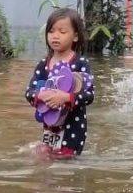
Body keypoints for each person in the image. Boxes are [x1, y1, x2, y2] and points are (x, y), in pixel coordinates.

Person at [25, 8, 95, 159]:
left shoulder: (80, 63)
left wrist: (66, 97)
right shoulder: (43, 65)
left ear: (75, 36)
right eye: (51, 31)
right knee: (45, 159)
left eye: (62, 32)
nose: (55, 36)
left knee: (67, 162)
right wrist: (41, 95)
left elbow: (89, 95)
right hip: (49, 128)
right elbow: (29, 91)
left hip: (74, 128)